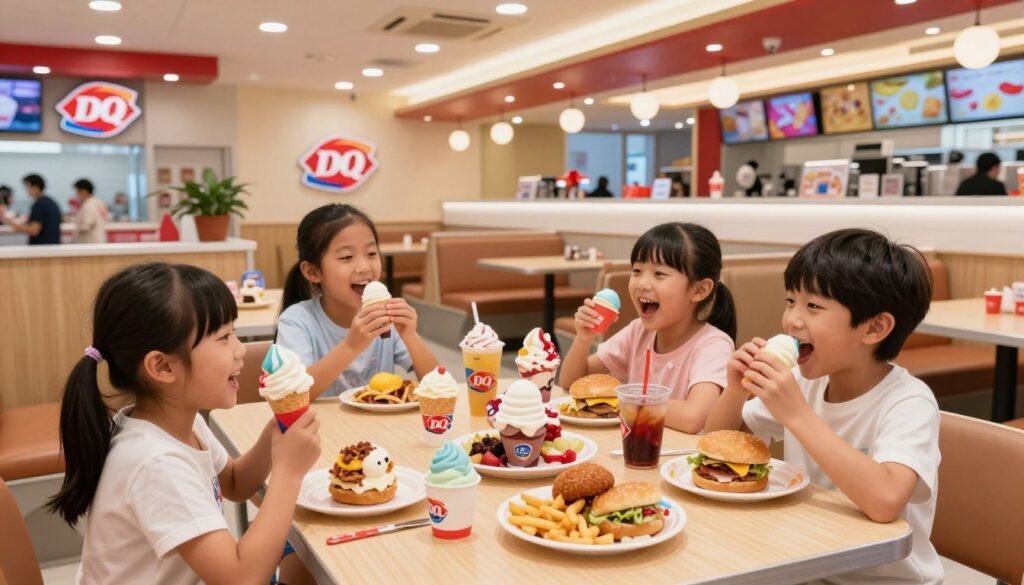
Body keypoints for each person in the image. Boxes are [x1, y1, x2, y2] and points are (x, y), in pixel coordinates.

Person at [47, 262, 321, 585]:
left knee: (305, 560)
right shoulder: (154, 462)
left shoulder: (178, 421)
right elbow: (242, 578)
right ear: (162, 367)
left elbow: (233, 482)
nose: (240, 349)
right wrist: (289, 473)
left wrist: (274, 438)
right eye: (224, 337)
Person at [705, 228, 941, 584]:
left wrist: (797, 416)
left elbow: (885, 500)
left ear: (874, 328)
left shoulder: (909, 402)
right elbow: (721, 447)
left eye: (813, 306)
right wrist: (736, 390)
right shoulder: (806, 381)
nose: (792, 320)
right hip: (808, 563)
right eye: (790, 302)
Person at [560, 222, 736, 433]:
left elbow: (692, 418)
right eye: (637, 270)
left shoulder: (713, 345)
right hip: (635, 449)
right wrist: (584, 338)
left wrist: (623, 397)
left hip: (678, 459)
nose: (642, 283)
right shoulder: (638, 332)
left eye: (659, 274)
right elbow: (572, 383)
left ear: (699, 289)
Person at [277, 204, 438, 398]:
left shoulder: (386, 318)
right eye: (346, 257)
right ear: (313, 271)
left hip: (380, 426)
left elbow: (437, 385)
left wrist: (411, 337)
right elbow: (292, 394)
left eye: (371, 253)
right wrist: (351, 346)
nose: (364, 267)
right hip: (320, 426)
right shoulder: (296, 321)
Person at [0, 174, 61, 244]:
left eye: (27, 187)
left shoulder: (40, 205)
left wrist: (11, 223)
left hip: (42, 247)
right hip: (51, 245)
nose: (26, 191)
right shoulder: (50, 202)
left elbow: (34, 230)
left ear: (35, 187)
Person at [72, 178, 108, 244]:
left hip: (90, 243)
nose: (76, 195)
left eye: (77, 192)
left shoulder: (89, 205)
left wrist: (75, 230)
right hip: (98, 241)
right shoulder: (98, 202)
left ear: (83, 191)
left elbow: (87, 225)